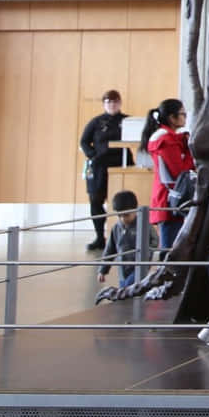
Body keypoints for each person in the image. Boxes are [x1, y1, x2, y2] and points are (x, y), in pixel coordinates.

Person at [79, 90, 127, 251]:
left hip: (121, 166)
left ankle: (124, 237)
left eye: (115, 102)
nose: (112, 105)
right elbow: (84, 141)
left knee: (122, 202)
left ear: (120, 103)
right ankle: (100, 237)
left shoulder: (127, 121)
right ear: (104, 104)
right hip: (98, 167)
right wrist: (93, 155)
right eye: (108, 102)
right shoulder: (96, 122)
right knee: (95, 200)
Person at [142, 99, 193, 251]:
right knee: (170, 249)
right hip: (170, 199)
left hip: (172, 198)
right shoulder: (165, 140)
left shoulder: (171, 138)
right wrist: (190, 151)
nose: (185, 118)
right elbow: (180, 172)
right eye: (183, 114)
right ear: (172, 118)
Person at [96, 190, 143, 287]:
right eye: (119, 215)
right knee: (124, 292)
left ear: (135, 210)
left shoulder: (143, 226)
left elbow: (153, 242)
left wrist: (147, 256)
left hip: (138, 269)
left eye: (126, 215)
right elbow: (109, 250)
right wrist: (102, 270)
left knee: (128, 289)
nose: (122, 219)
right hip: (123, 271)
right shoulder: (116, 228)